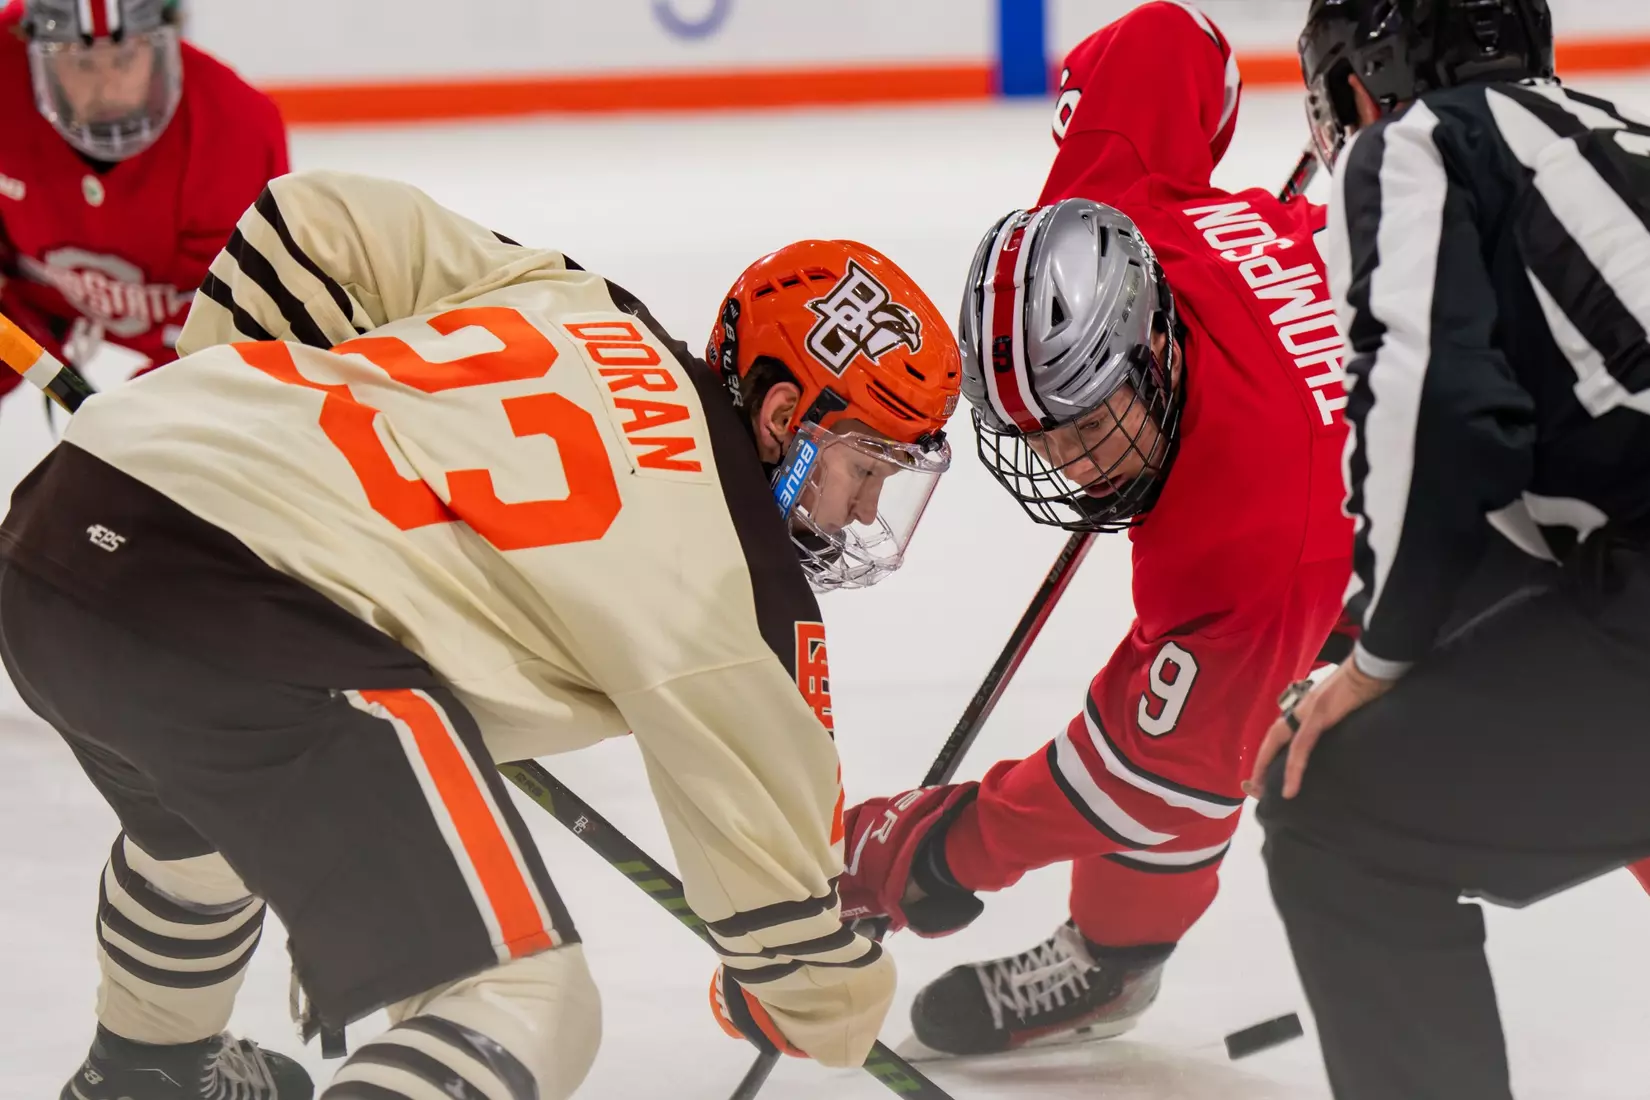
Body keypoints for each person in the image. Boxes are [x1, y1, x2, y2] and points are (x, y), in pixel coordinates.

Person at [0, 169, 962, 1099]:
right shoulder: (737, 589)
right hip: (248, 630)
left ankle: (147, 1074)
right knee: (519, 998)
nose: (860, 511)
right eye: (864, 468)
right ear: (788, 415)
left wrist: (215, 409)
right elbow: (783, 934)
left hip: (63, 530)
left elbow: (312, 224)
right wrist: (828, 1002)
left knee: (202, 832)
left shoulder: (582, 301)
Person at [833, 0, 1356, 1057]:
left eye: (1086, 425)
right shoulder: (1109, 220)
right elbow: (1174, 37)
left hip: (1414, 539)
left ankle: (1114, 957)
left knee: (1200, 751)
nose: (1067, 464)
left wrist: (941, 845)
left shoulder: (1250, 536)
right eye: (1038, 432)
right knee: (1189, 723)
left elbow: (1136, 773)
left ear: (1153, 351)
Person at [1247, 0, 1650, 1096]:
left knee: (1328, 808)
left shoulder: (1416, 145)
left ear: (1357, 86)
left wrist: (1380, 650)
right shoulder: (1612, 139)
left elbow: (1439, 412)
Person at [0, 0, 287, 398]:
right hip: (28, 299)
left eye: (126, 56)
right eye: (81, 62)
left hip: (185, 326)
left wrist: (133, 422)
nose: (106, 86)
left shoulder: (235, 131)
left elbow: (233, 333)